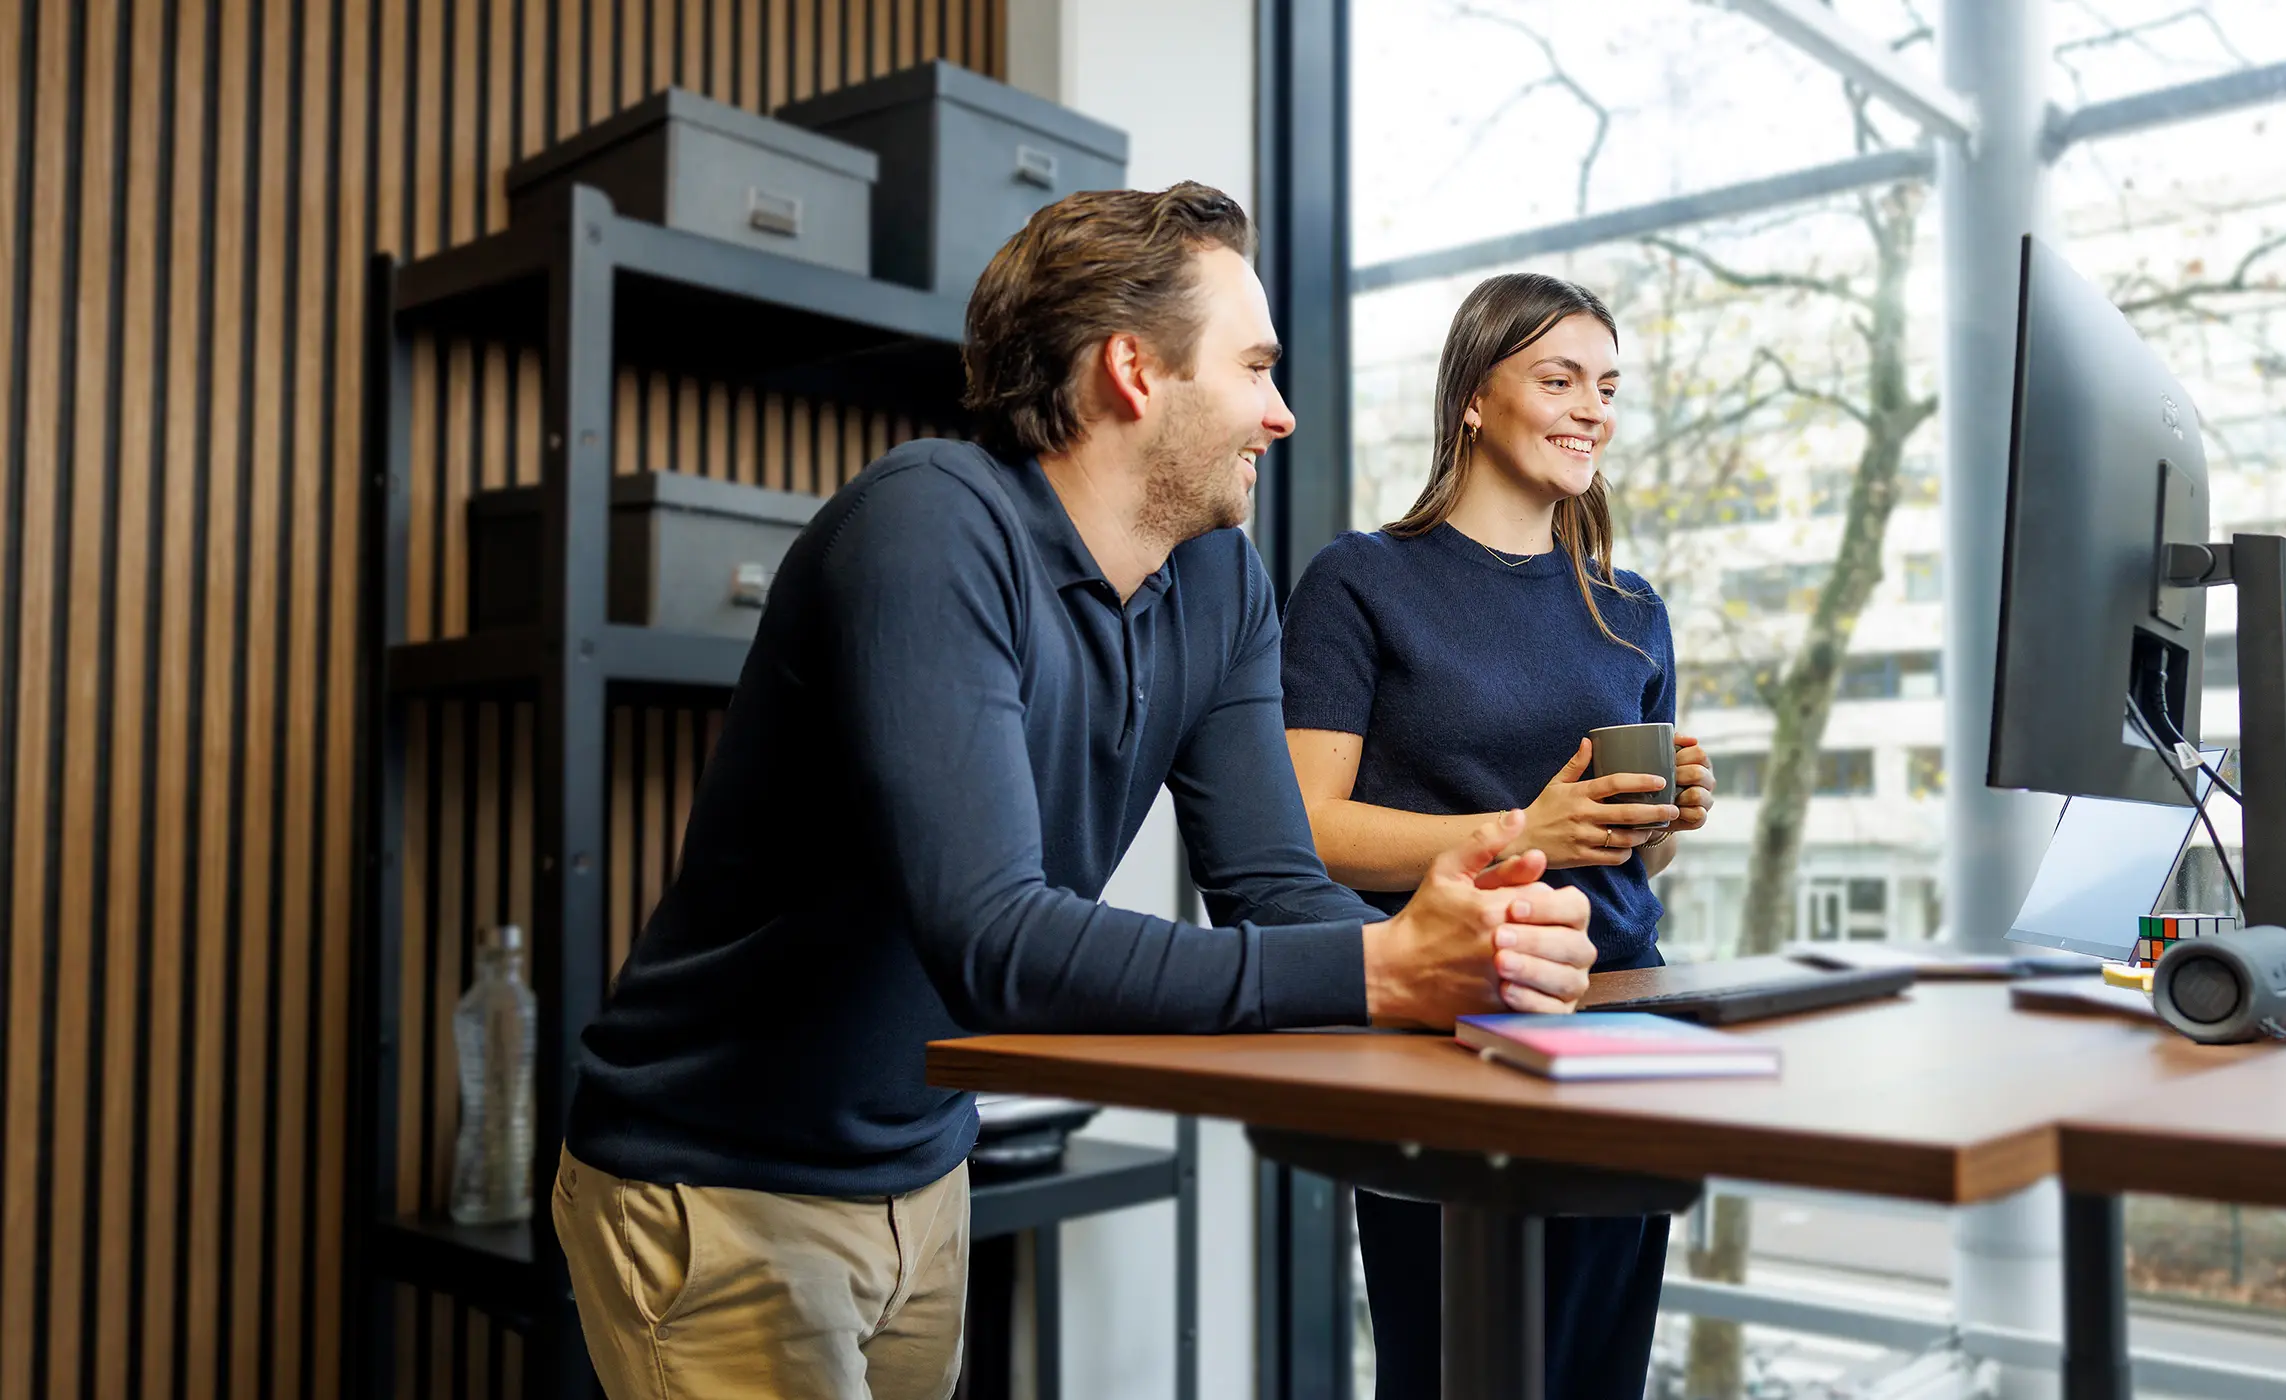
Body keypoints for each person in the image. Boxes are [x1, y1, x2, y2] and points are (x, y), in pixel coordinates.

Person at [549, 184, 1599, 1400]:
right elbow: (994, 938)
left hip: (921, 1176)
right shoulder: (930, 524)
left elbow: (1266, 881)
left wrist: (1464, 950)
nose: (1283, 412)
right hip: (719, 1181)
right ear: (1133, 370)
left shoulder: (1218, 583)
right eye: (1256, 368)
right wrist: (1383, 970)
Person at [1279, 272, 1717, 1400]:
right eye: (1559, 378)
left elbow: (1622, 854)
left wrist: (1663, 816)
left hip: (1627, 1018)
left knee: (1598, 1370)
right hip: (1458, 1021)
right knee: (1457, 1365)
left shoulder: (1631, 607)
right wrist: (1528, 825)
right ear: (1475, 395)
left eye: (1608, 386)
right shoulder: (1361, 580)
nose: (1592, 409)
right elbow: (1309, 828)